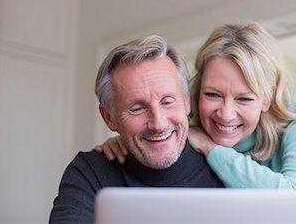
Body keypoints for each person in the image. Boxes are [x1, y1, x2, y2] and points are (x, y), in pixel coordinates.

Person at [97, 21, 296, 191]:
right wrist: (123, 143)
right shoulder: (191, 126)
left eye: (244, 98)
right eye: (213, 94)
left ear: (267, 98)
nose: (226, 114)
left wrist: (212, 148)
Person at [49, 36, 223, 223]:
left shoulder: (228, 168)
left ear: (187, 101)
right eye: (137, 109)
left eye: (167, 102)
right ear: (109, 117)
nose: (158, 124)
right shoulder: (91, 171)